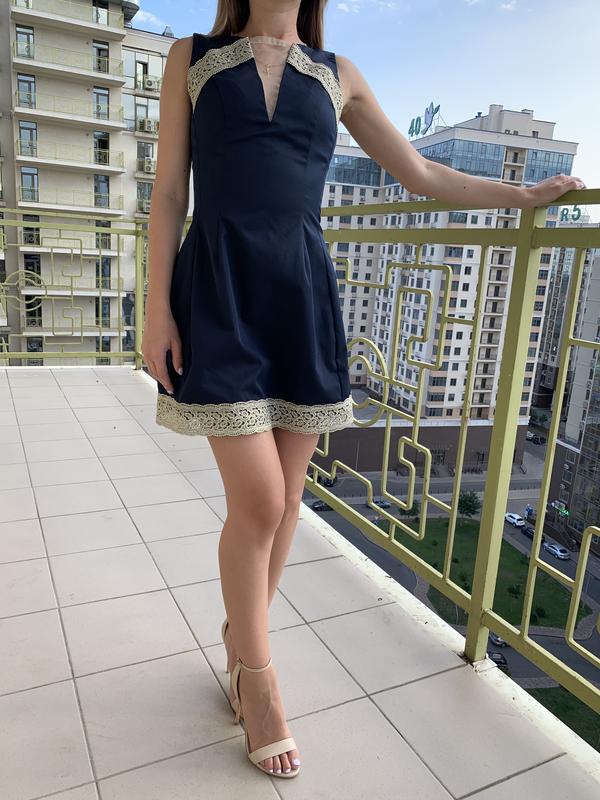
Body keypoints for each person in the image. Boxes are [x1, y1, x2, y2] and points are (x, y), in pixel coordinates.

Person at [140, 0, 586, 780]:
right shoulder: (193, 56)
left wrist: (521, 197)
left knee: (288, 499)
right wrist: (156, 309)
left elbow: (421, 173)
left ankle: (242, 643)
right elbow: (171, 193)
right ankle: (258, 681)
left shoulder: (339, 74)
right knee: (259, 501)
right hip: (218, 289)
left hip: (301, 297)